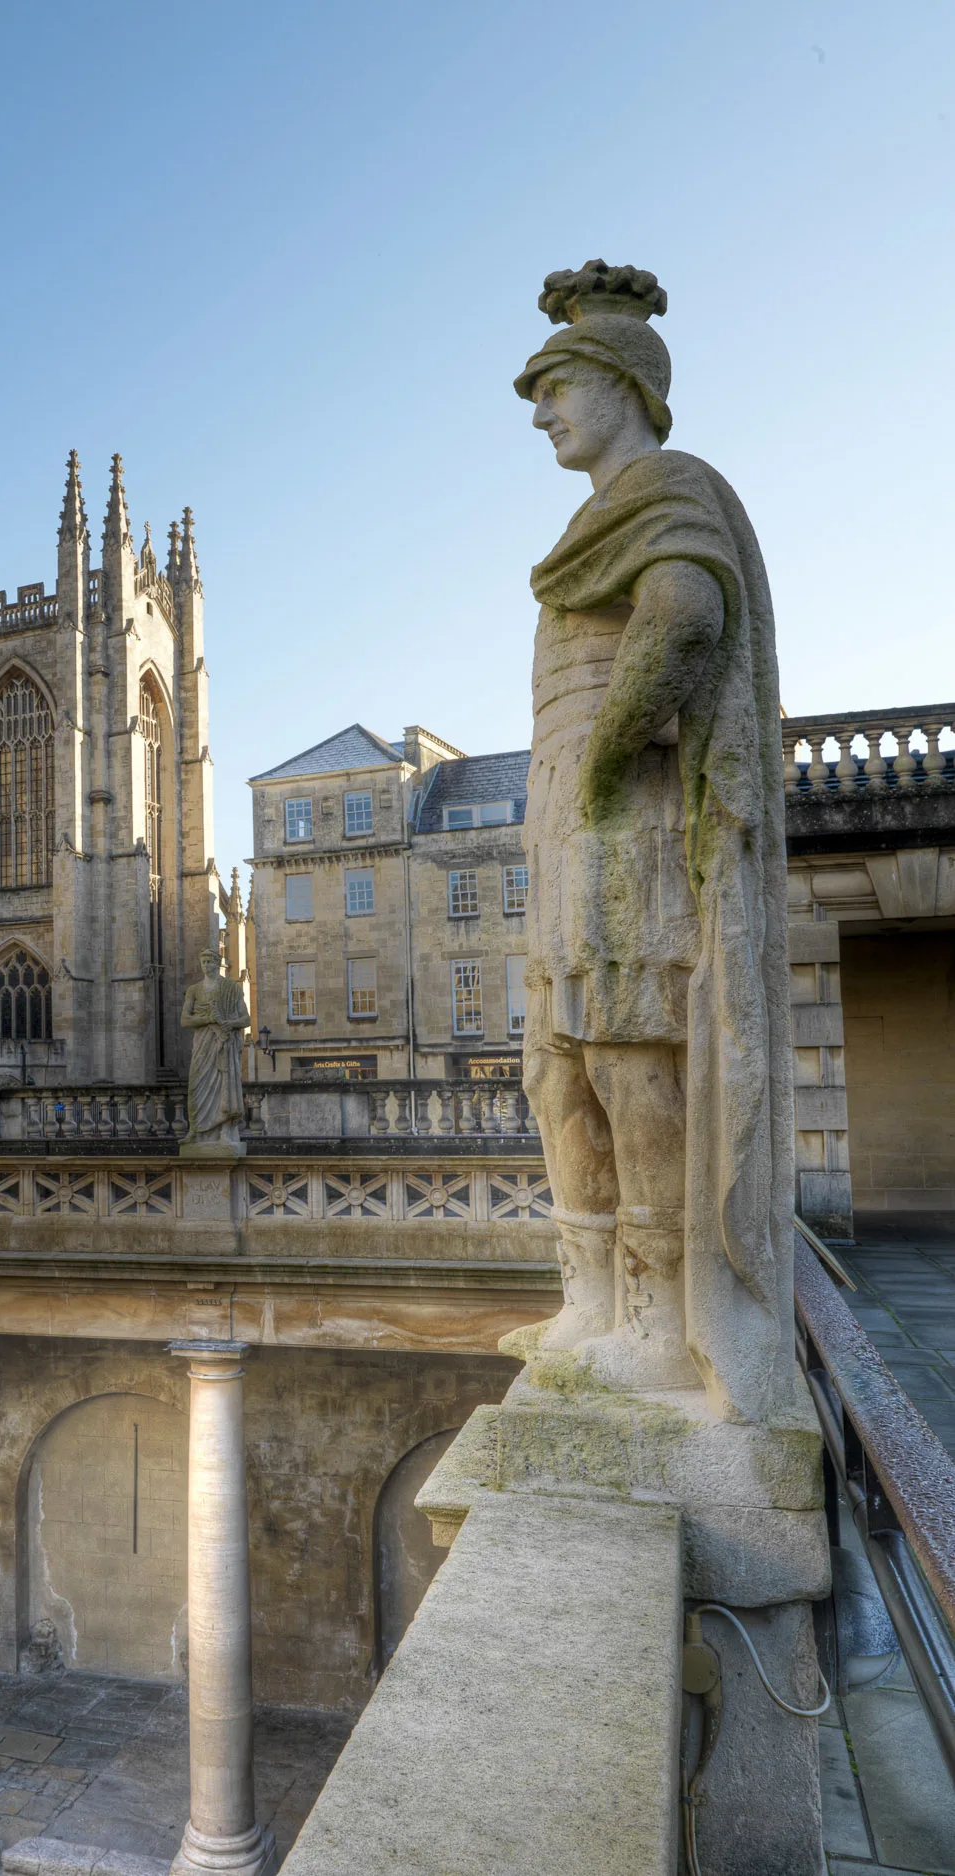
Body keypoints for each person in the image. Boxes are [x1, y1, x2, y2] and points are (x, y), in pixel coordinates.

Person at [511, 260, 794, 1425]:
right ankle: (590, 1304)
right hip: (573, 813)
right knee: (559, 1066)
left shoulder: (668, 483)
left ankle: (659, 1324)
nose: (539, 411)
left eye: (553, 385)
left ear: (619, 379)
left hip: (621, 815)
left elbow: (686, 614)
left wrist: (617, 744)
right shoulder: (597, 515)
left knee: (632, 1061)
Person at [181, 950, 249, 1148]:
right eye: (203, 961)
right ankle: (196, 1131)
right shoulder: (194, 990)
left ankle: (225, 1131)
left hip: (223, 1045)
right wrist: (209, 1018)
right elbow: (185, 1020)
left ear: (218, 963)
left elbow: (246, 1018)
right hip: (202, 1045)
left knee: (224, 1086)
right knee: (196, 1085)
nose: (206, 965)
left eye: (210, 961)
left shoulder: (231, 988)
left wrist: (230, 1023)